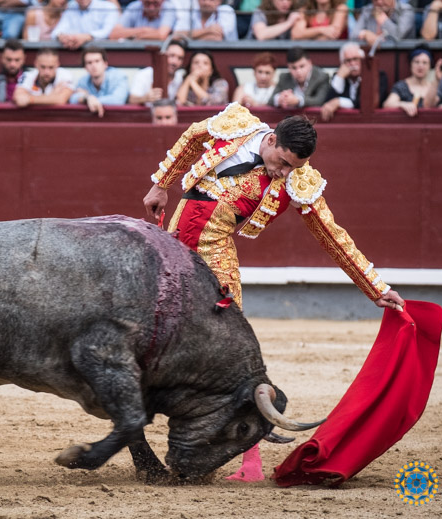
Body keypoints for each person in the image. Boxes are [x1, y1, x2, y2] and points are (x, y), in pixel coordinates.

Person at [141, 106, 405, 482]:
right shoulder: (235, 126)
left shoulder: (299, 181)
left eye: (292, 168)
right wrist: (160, 183)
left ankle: (250, 464)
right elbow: (193, 136)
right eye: (281, 161)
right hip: (173, 244)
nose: (283, 172)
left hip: (215, 258)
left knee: (232, 355)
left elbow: (332, 235)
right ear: (271, 140)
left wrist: (375, 288)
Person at [320, 41, 388, 121]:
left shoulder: (378, 76)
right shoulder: (339, 77)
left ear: (363, 60)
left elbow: (366, 103)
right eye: (348, 61)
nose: (352, 63)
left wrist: (339, 102)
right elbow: (328, 102)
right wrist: (339, 78)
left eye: (356, 59)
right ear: (342, 63)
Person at [51, 0, 119, 49]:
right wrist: (62, 37)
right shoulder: (71, 7)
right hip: (74, 52)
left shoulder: (108, 7)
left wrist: (88, 37)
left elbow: (108, 32)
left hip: (103, 53)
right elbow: (56, 32)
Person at [351, 0, 415, 47]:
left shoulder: (406, 10)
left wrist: (382, 18)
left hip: (400, 54)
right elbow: (353, 35)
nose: (379, 2)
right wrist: (365, 33)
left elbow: (398, 36)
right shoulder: (367, 10)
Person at [68, 46, 129, 117]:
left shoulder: (118, 77)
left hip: (118, 120)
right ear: (85, 67)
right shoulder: (83, 80)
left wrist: (91, 99)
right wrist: (87, 98)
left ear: (105, 64)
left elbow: (118, 100)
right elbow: (72, 99)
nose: (94, 66)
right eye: (89, 62)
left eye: (97, 61)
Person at [128, 37, 186, 105]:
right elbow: (131, 99)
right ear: (163, 55)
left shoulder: (179, 78)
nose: (175, 62)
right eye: (172, 56)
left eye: (180, 58)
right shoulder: (144, 74)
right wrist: (145, 98)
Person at [109, 0, 176, 40]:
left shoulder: (168, 7)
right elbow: (114, 34)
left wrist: (132, 35)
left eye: (155, 3)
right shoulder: (134, 6)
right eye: (147, 3)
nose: (151, 8)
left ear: (163, 0)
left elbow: (161, 35)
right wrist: (144, 30)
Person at [382, 46, 435, 117]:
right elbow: (387, 104)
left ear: (429, 66)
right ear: (411, 64)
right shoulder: (401, 86)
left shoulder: (434, 87)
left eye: (425, 63)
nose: (420, 66)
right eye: (416, 62)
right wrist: (402, 104)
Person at [173, 0, 237, 40]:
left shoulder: (226, 10)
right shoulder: (191, 13)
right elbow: (175, 36)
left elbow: (217, 38)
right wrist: (207, 30)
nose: (207, 3)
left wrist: (188, 37)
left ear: (219, 1)